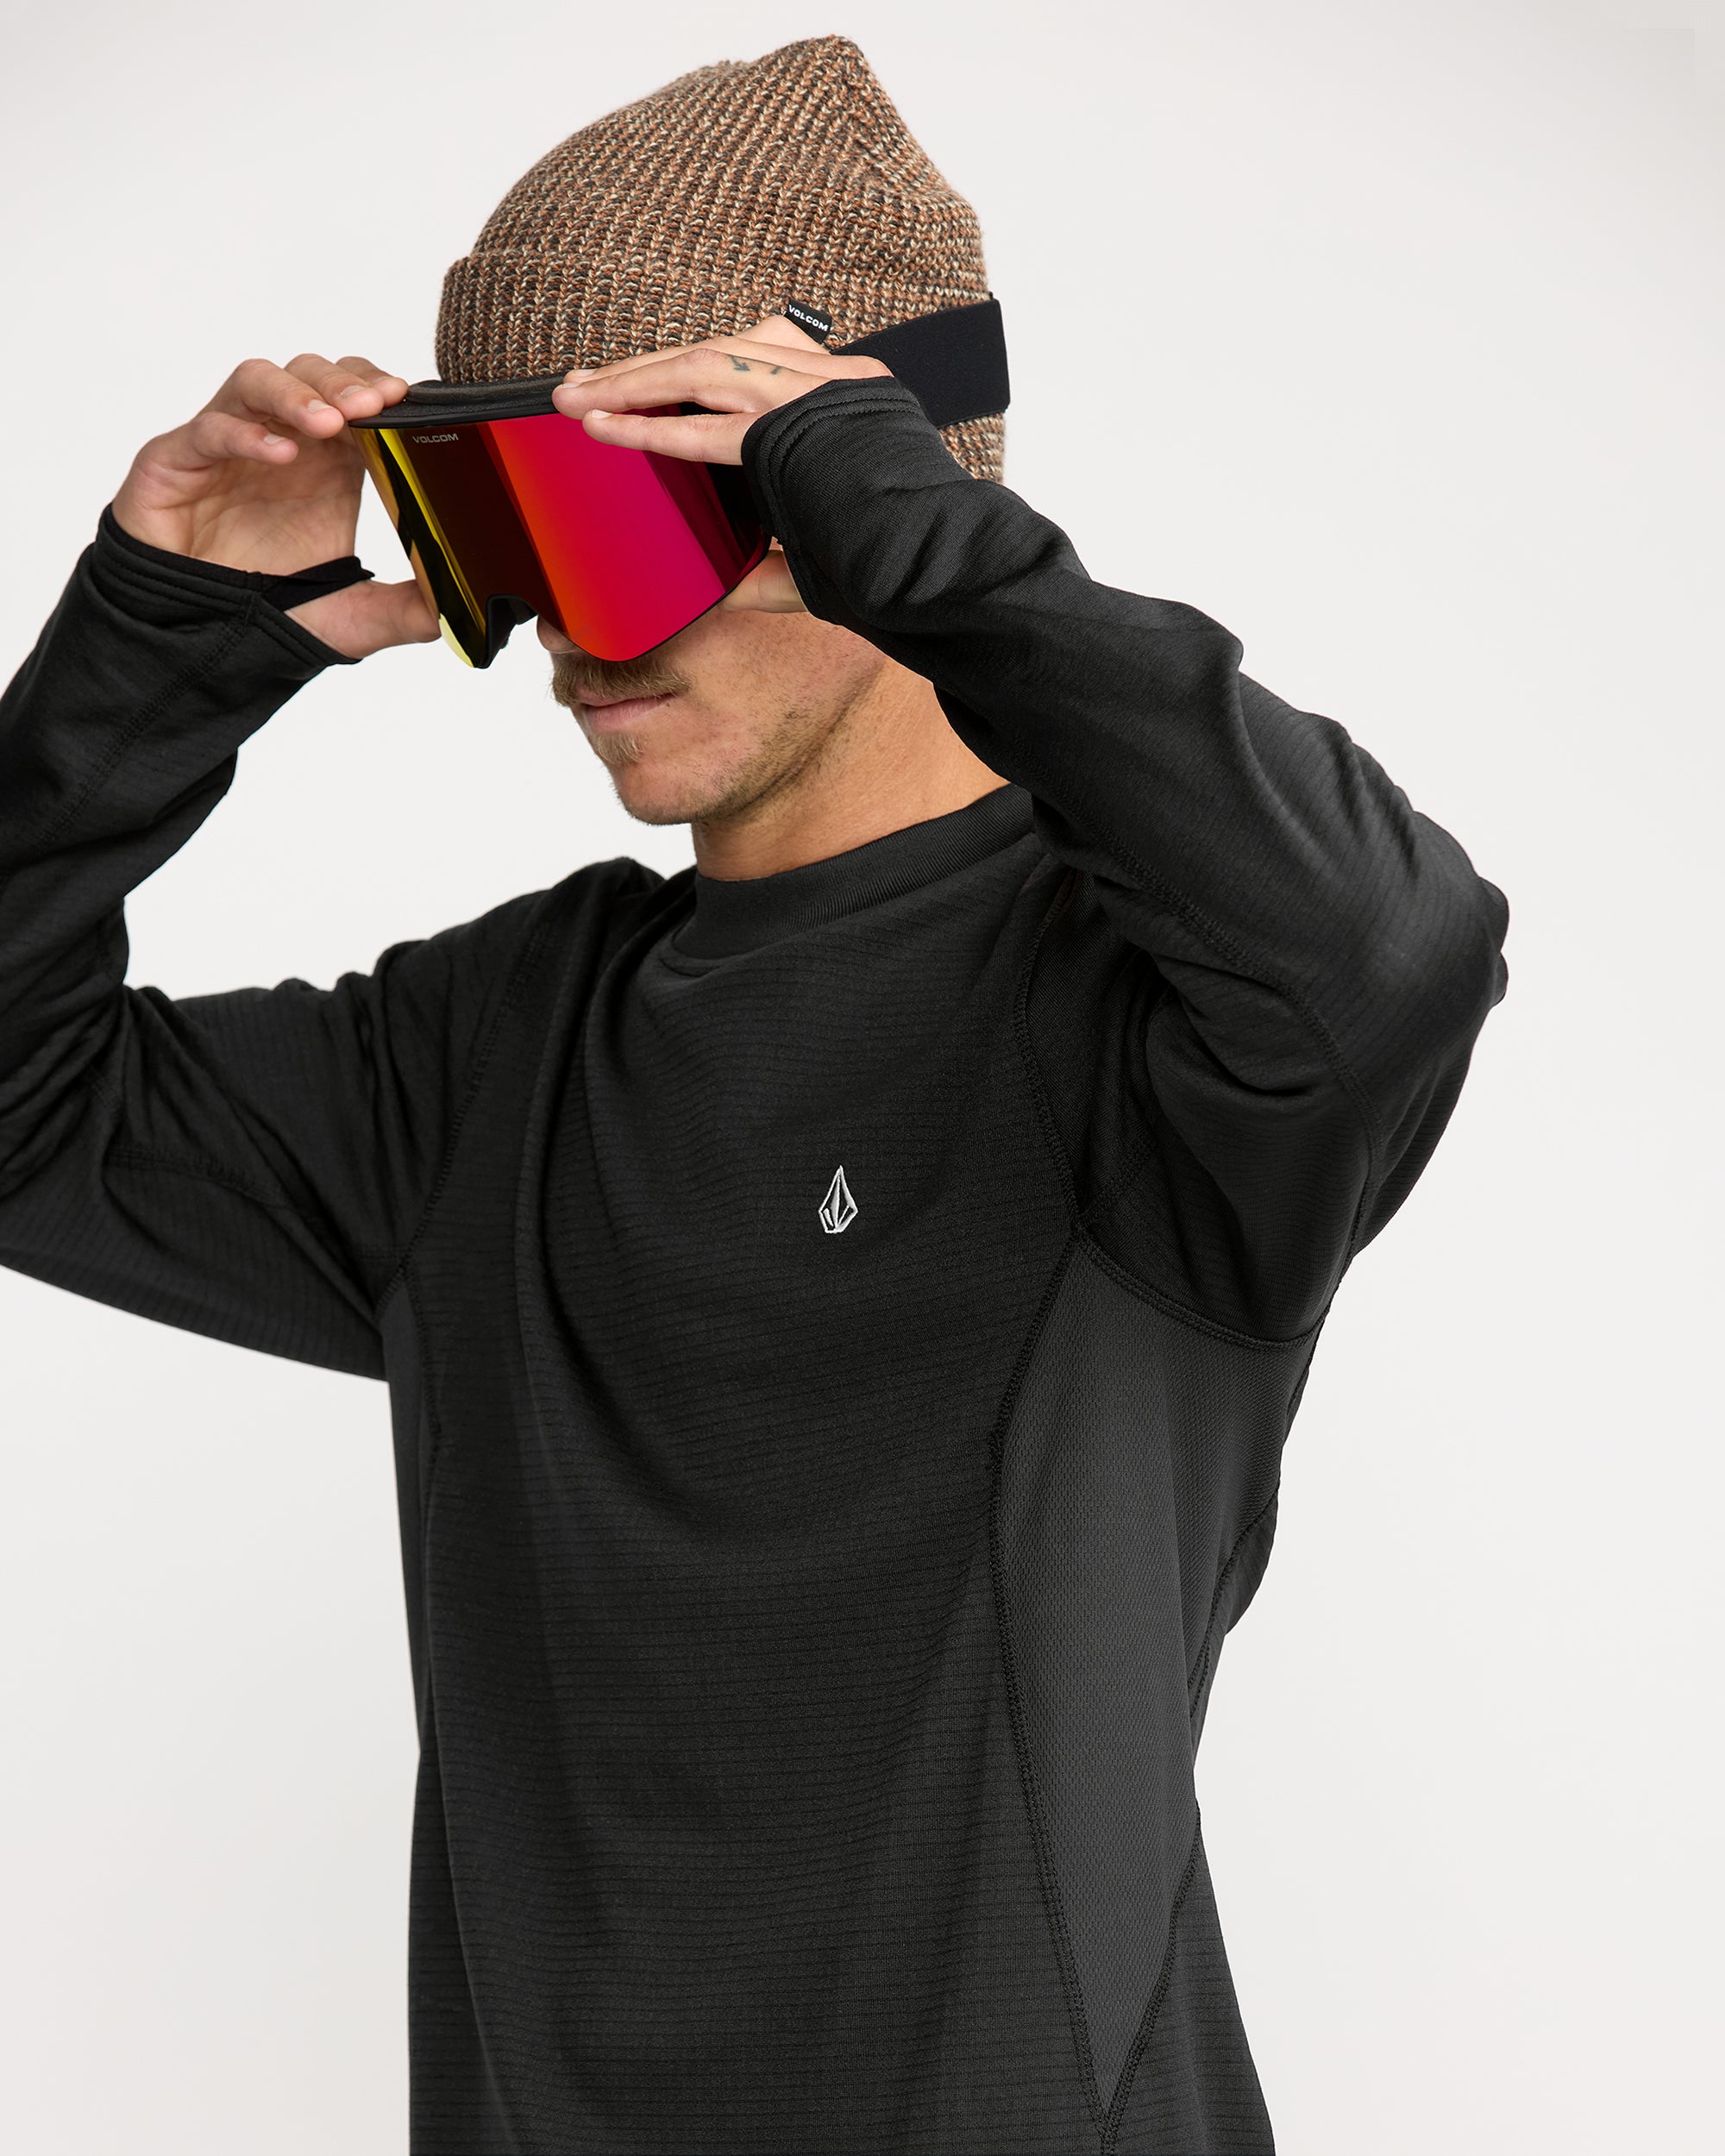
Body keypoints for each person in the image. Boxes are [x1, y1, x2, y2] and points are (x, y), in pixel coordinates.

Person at [0, 33, 1508, 2156]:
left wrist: (933, 542)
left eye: (638, 515)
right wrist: (153, 637)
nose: (572, 634)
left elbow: (1393, 949)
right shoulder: (485, 1056)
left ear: (867, 499)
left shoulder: (1160, 1031)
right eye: (507, 528)